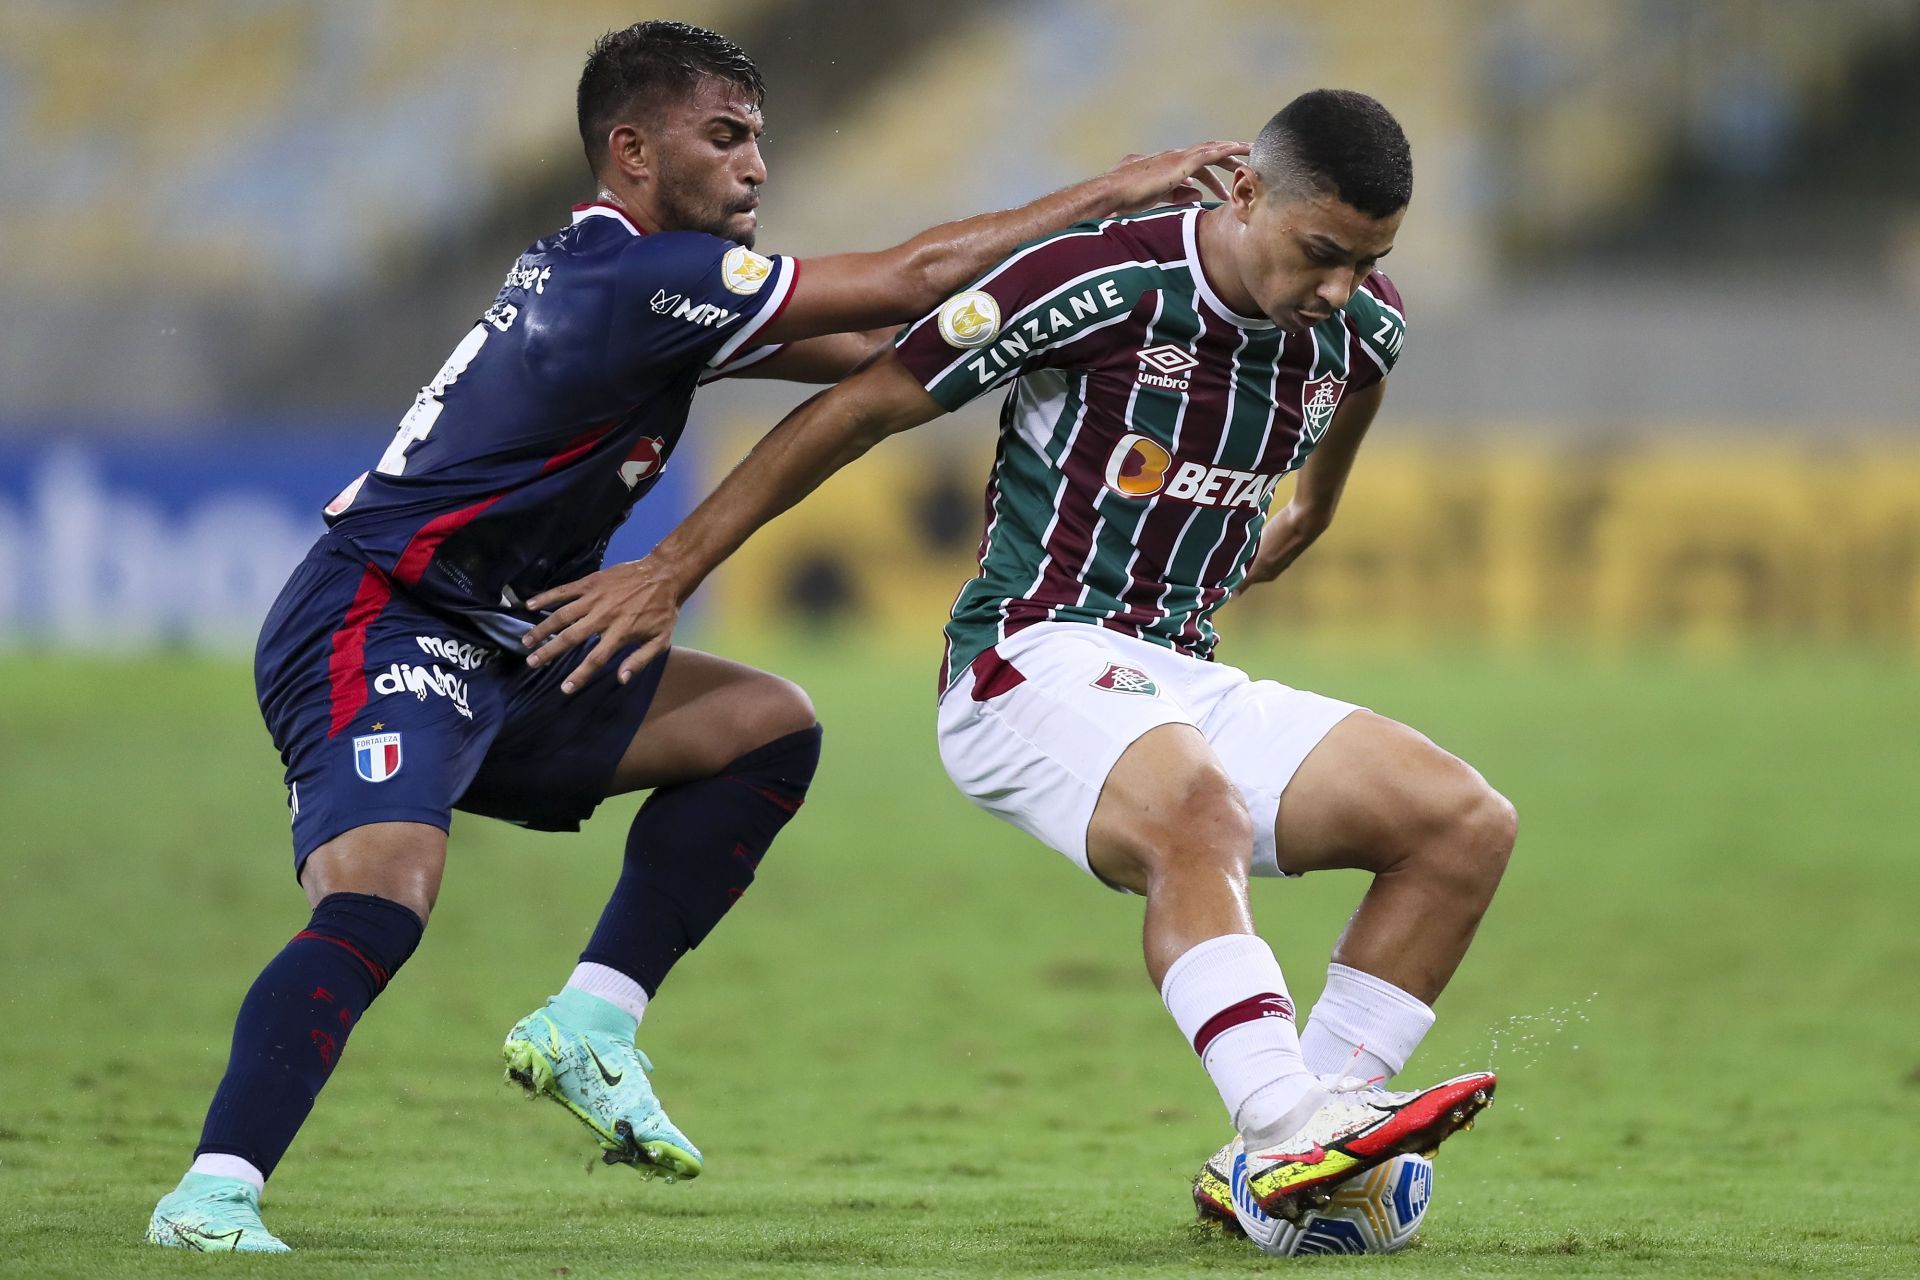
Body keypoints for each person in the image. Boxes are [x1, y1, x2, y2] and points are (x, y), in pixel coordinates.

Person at [145, 20, 1242, 1253]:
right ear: (631, 149)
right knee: (381, 901)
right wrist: (1122, 194)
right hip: (376, 614)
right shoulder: (631, 281)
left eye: (759, 141)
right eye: (724, 138)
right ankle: (211, 1195)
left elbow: (895, 359)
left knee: (764, 730)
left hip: (507, 633)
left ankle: (593, 1023)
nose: (755, 167)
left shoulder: (655, 285)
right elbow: (915, 278)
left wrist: (1125, 336)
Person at [521, 89, 1512, 1224]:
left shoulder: (1358, 319)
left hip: (1183, 671)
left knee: (1461, 822)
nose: (1339, 287)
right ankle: (1286, 1122)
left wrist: (1313, 510)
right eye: (1322, 252)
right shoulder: (1099, 282)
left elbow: (1361, 374)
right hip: (1028, 659)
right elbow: (864, 405)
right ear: (1245, 193)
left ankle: (1303, 1144)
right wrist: (674, 567)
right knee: (1198, 809)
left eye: (1368, 260)